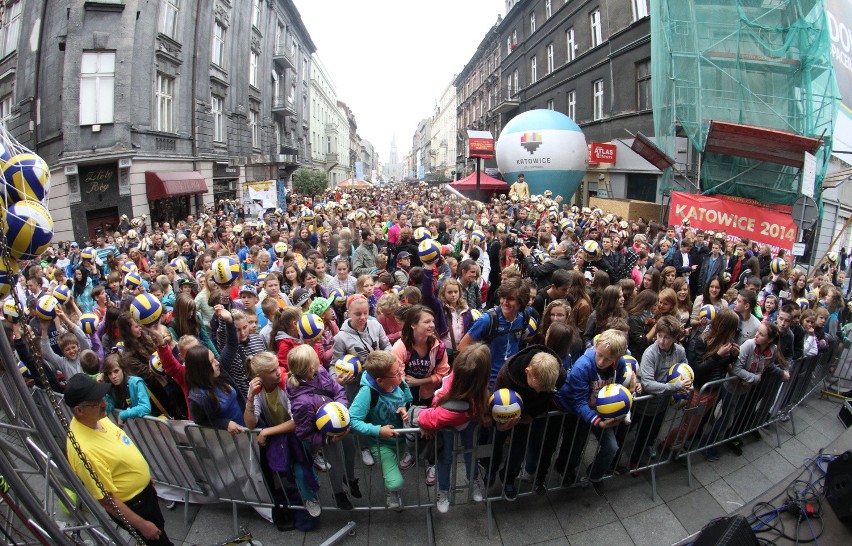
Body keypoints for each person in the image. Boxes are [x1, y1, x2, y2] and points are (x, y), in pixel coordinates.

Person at [64, 373, 173, 545]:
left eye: (102, 398)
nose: (104, 404)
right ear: (79, 410)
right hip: (135, 505)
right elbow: (107, 501)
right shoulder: (84, 452)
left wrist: (143, 478)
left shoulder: (95, 417)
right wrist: (142, 525)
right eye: (98, 402)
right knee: (157, 539)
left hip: (143, 494)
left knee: (159, 530)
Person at [545, 329, 631, 495]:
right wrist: (597, 421)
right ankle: (565, 470)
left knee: (611, 447)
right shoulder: (582, 366)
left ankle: (595, 475)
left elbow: (617, 386)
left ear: (617, 357)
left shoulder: (619, 364)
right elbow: (578, 401)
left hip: (599, 410)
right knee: (574, 446)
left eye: (608, 359)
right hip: (576, 410)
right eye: (599, 355)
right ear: (596, 346)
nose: (601, 362)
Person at [416, 343, 491, 512]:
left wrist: (483, 414)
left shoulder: (472, 382)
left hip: (468, 421)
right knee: (445, 457)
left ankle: (473, 482)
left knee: (471, 452)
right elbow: (426, 417)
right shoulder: (452, 405)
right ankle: (443, 491)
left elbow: (482, 398)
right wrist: (425, 423)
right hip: (448, 422)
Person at [286, 345, 360, 511]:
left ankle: (350, 479)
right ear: (310, 367)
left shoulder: (320, 371)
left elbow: (337, 389)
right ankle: (339, 493)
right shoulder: (302, 402)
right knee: (335, 463)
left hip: (340, 421)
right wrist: (327, 439)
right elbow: (303, 432)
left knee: (350, 449)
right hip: (327, 433)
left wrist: (340, 407)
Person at [348, 350, 412, 511]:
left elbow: (408, 398)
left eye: (399, 370)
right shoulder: (367, 392)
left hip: (400, 440)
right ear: (380, 380)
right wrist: (377, 430)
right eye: (396, 373)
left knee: (393, 469)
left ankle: (393, 490)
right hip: (381, 444)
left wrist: (404, 408)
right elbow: (352, 420)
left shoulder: (399, 382)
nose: (400, 375)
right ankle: (393, 493)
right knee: (395, 480)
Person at [627, 315, 691, 473]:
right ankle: (633, 462)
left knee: (654, 429)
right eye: (659, 336)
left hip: (663, 403)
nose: (661, 341)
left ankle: (648, 445)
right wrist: (675, 386)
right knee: (640, 432)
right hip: (645, 403)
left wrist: (685, 384)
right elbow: (648, 383)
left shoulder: (679, 351)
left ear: (675, 338)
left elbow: (685, 368)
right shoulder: (650, 353)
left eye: (667, 337)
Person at [458, 277, 531, 389]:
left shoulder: (524, 317)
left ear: (521, 301)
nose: (505, 302)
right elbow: (462, 347)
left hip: (510, 379)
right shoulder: (487, 320)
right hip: (486, 382)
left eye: (511, 299)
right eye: (503, 297)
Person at [103, 352, 152, 426]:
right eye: (110, 373)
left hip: (145, 427)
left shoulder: (136, 383)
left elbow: (145, 407)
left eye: (116, 371)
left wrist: (124, 414)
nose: (113, 376)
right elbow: (107, 408)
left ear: (123, 369)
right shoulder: (111, 388)